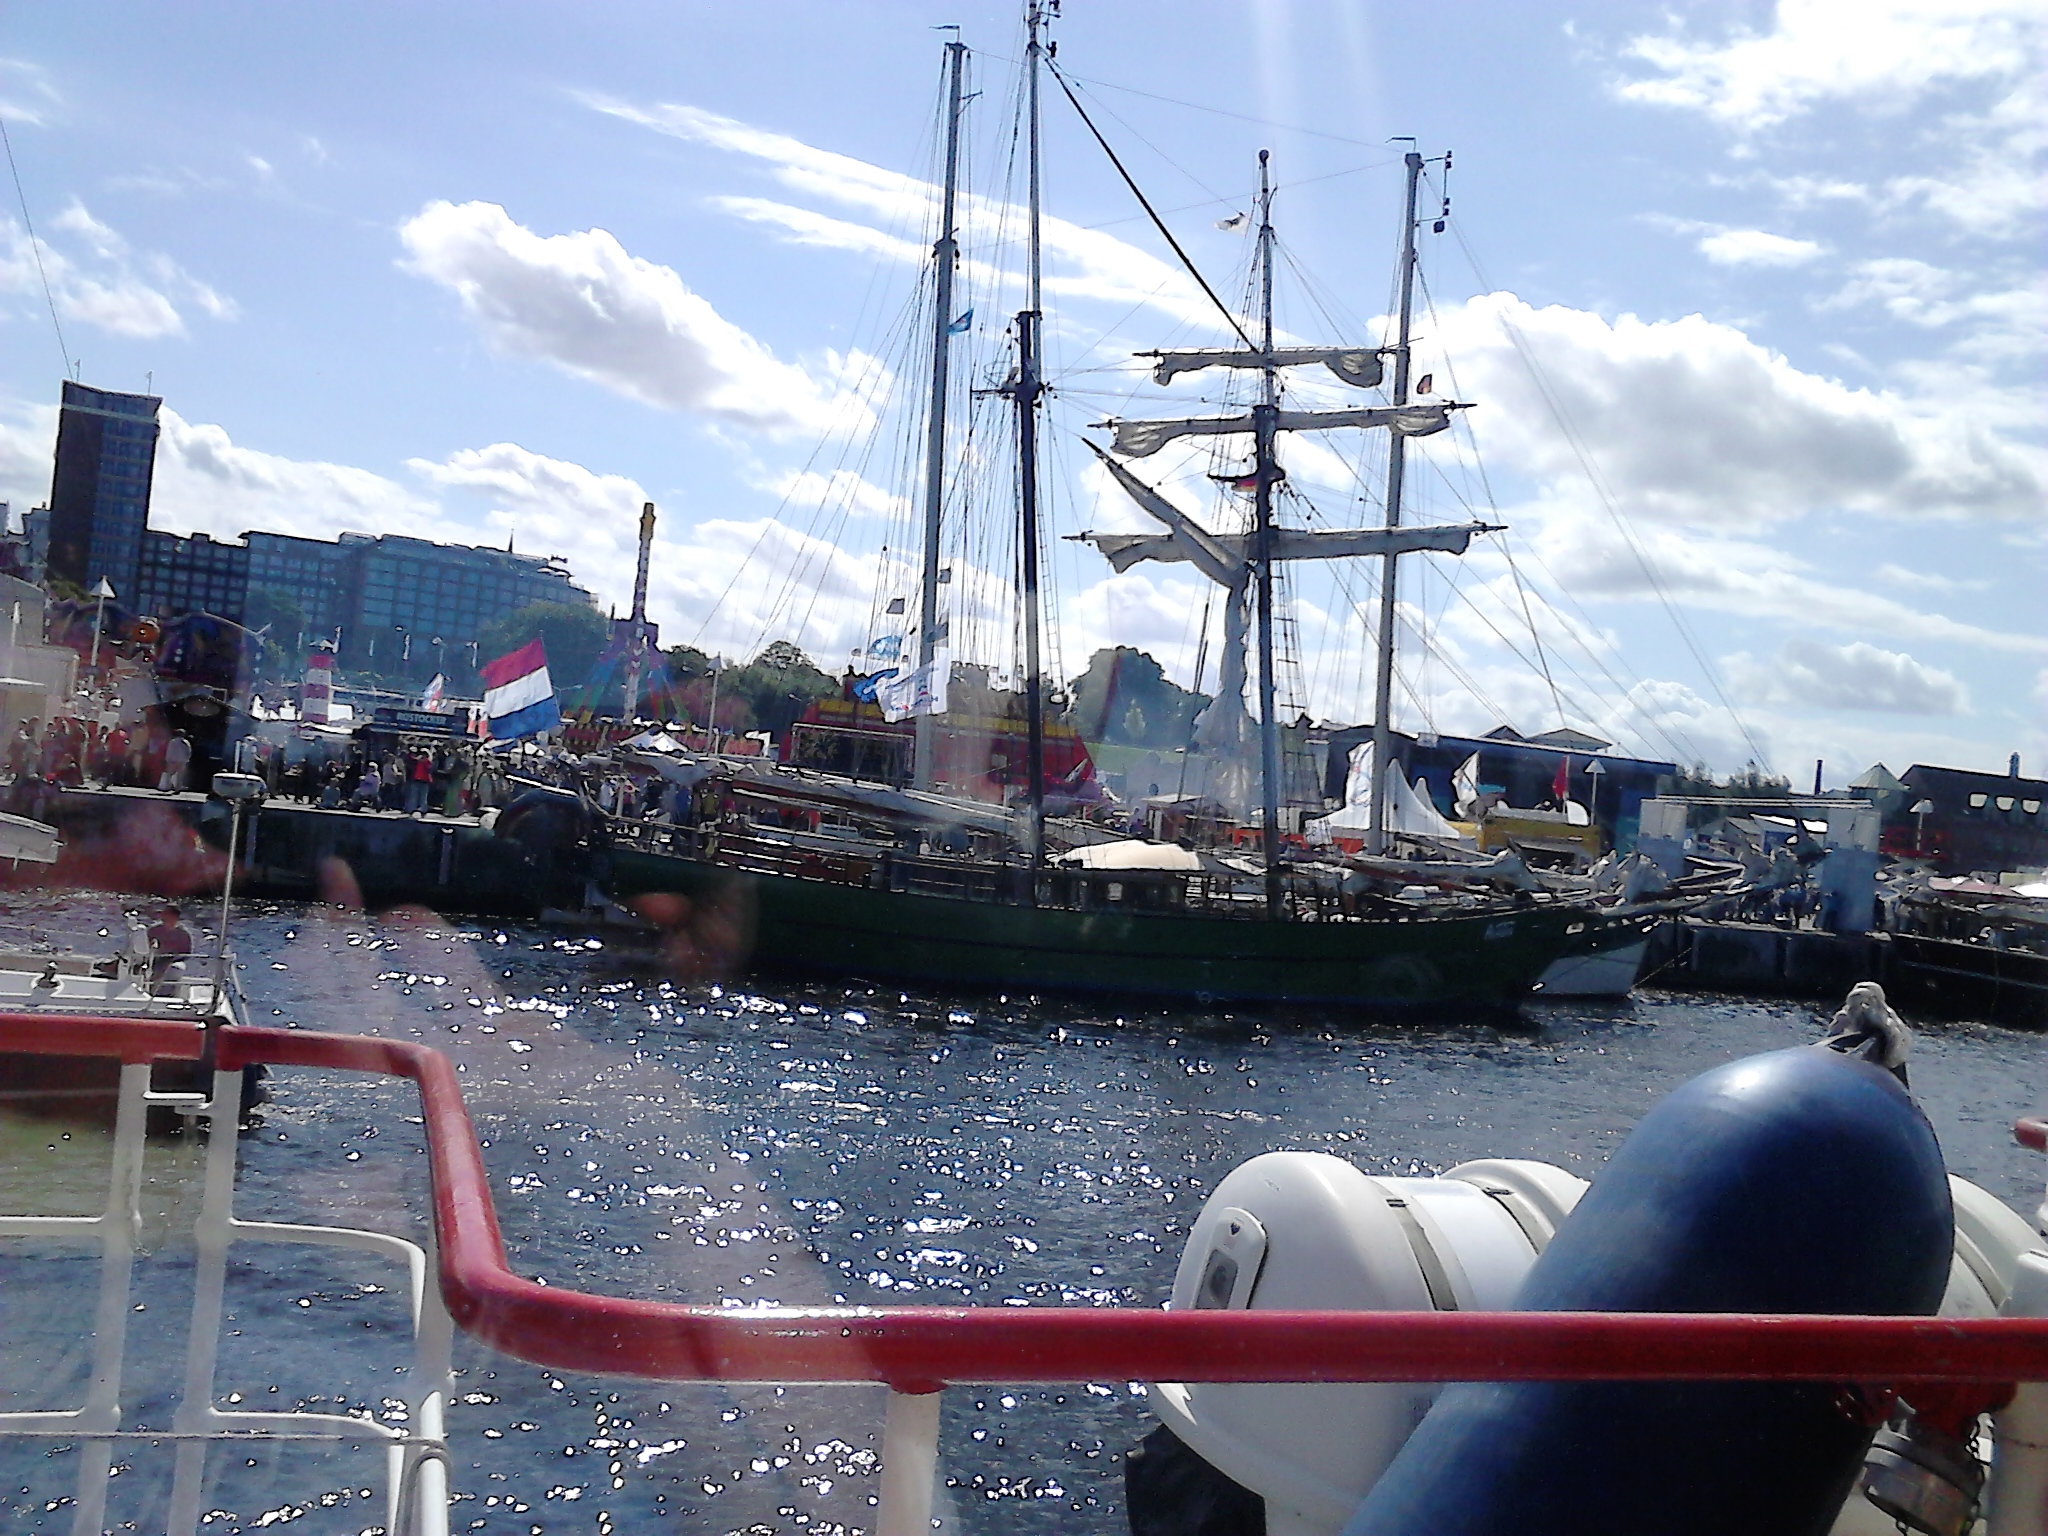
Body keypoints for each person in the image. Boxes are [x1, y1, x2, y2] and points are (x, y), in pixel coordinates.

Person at [147, 902, 194, 985]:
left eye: (166, 913)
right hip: (155, 960)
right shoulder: (154, 930)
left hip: (174, 961)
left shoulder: (183, 934)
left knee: (173, 969)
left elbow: (186, 953)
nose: (162, 914)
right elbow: (146, 945)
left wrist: (171, 958)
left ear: (174, 916)